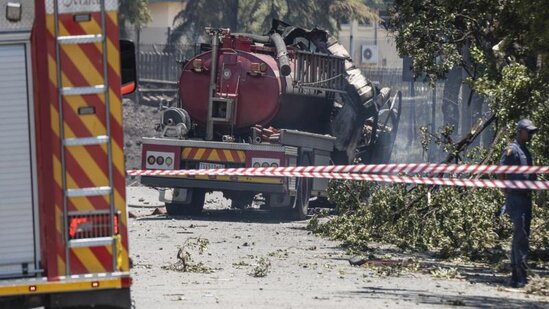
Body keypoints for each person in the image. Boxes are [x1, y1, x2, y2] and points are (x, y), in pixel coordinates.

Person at [500, 119, 538, 288]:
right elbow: (501, 171)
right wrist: (505, 190)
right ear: (520, 131)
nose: (530, 135)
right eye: (528, 131)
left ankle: (517, 273)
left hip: (526, 197)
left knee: (522, 234)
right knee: (520, 233)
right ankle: (519, 274)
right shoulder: (512, 150)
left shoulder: (526, 151)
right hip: (515, 198)